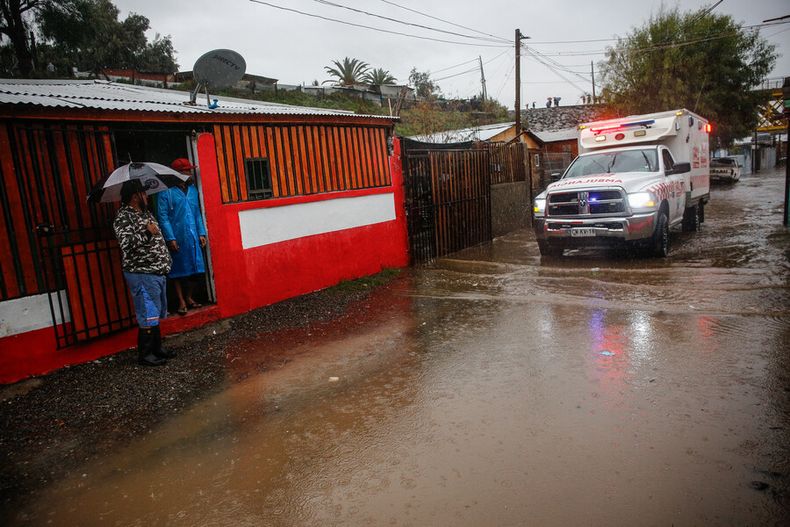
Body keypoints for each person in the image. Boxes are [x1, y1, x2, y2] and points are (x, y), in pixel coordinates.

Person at [114, 179, 174, 366]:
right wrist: (147, 233)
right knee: (147, 311)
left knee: (154, 312)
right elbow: (126, 245)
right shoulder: (124, 217)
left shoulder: (145, 213)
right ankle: (146, 354)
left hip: (156, 271)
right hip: (141, 272)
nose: (146, 196)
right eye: (143, 193)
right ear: (135, 196)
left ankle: (157, 348)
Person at [157, 158, 207, 315]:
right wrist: (170, 238)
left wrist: (201, 232)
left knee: (196, 269)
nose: (190, 173)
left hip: (193, 236)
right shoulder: (166, 192)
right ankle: (181, 301)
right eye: (187, 170)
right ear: (177, 173)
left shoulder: (193, 190)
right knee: (177, 270)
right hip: (177, 237)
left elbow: (197, 213)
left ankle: (189, 296)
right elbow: (163, 217)